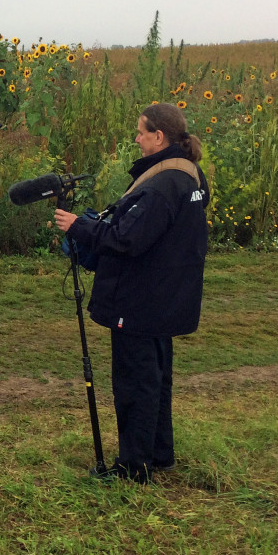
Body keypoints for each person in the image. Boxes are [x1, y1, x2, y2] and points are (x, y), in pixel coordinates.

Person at [53, 103, 209, 483]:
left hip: (140, 301)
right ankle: (159, 453)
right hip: (166, 297)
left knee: (135, 384)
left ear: (159, 136)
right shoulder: (190, 175)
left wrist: (78, 227)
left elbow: (127, 240)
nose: (136, 139)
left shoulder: (161, 186)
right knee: (156, 378)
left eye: (141, 132)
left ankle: (133, 467)